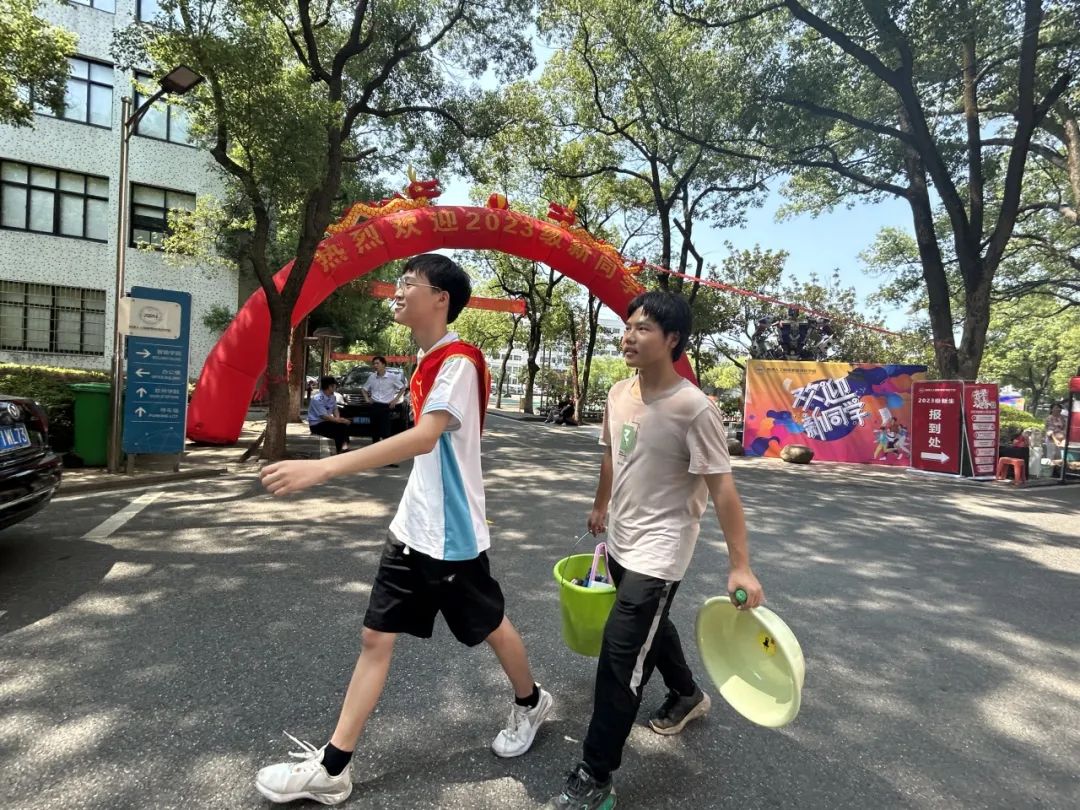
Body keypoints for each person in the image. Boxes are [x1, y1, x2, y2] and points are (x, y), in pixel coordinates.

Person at [256, 254, 553, 806]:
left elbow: (424, 437)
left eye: (409, 283)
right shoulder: (426, 359)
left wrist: (322, 469)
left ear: (440, 298)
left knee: (490, 624)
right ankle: (334, 767)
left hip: (450, 537)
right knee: (376, 637)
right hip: (412, 527)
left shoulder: (458, 362)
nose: (397, 290)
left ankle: (531, 702)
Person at [545, 290, 765, 810]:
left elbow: (722, 489)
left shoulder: (695, 409)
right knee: (650, 626)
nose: (629, 336)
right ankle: (687, 693)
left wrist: (741, 566)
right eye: (627, 326)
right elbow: (612, 454)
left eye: (643, 328)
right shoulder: (619, 392)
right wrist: (601, 505)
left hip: (662, 550)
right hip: (621, 538)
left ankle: (595, 776)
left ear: (672, 340)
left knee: (621, 656)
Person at [362, 355, 407, 444]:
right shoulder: (372, 377)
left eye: (377, 363)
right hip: (374, 406)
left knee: (385, 432)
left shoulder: (392, 377)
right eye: (374, 364)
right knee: (374, 433)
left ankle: (385, 449)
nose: (375, 365)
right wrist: (367, 399)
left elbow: (403, 388)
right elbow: (364, 389)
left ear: (383, 364)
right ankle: (375, 449)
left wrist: (395, 400)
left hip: (386, 407)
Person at [307, 376, 352, 454]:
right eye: (335, 386)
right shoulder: (317, 399)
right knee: (340, 428)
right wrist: (340, 421)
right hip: (317, 425)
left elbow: (335, 409)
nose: (336, 387)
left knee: (343, 426)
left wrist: (338, 419)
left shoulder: (332, 397)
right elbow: (324, 416)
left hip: (326, 422)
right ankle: (342, 450)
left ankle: (343, 448)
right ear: (330, 386)